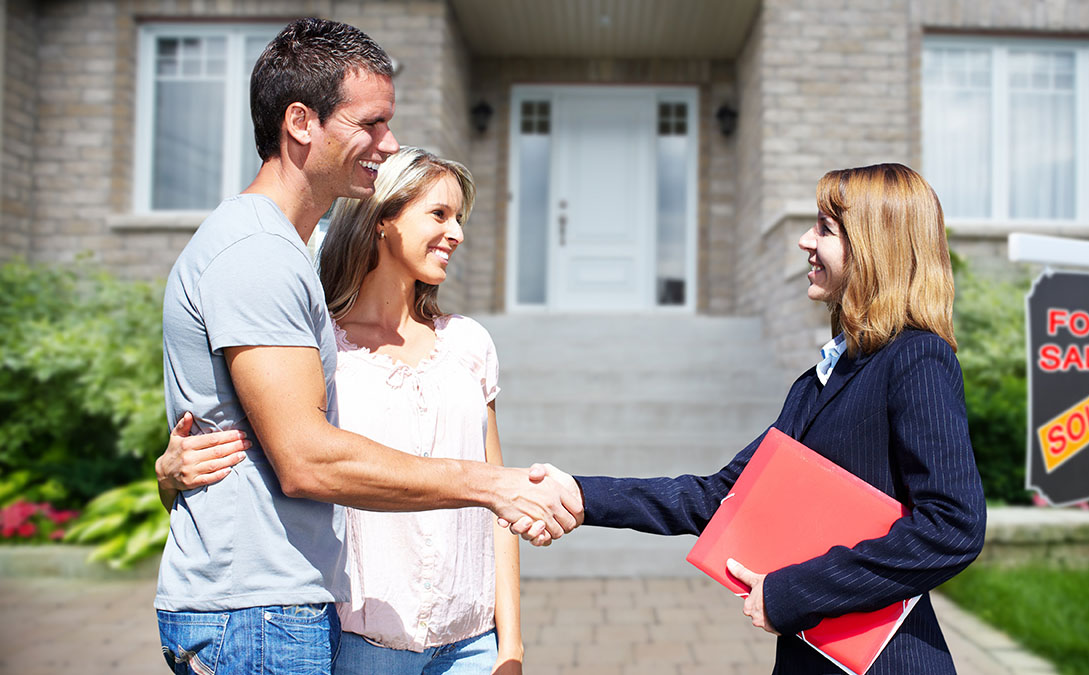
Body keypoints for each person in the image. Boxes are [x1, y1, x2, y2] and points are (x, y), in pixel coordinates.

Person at [156, 18, 576, 675]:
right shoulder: (259, 254)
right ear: (301, 122)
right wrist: (489, 484)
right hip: (260, 612)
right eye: (372, 123)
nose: (390, 142)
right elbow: (305, 458)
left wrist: (171, 475)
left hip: (284, 604)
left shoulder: (280, 253)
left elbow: (247, 436)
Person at [519, 163, 987, 674]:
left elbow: (952, 528)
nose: (806, 241)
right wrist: (582, 496)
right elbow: (723, 495)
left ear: (875, 247)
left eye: (825, 229)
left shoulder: (917, 359)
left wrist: (794, 592)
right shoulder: (817, 383)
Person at [160, 148, 524, 674]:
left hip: (471, 643)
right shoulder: (317, 347)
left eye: (459, 219)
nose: (457, 234)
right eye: (439, 214)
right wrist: (167, 476)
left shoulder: (470, 345)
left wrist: (509, 645)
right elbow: (274, 462)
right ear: (382, 219)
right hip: (360, 640)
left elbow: (498, 499)